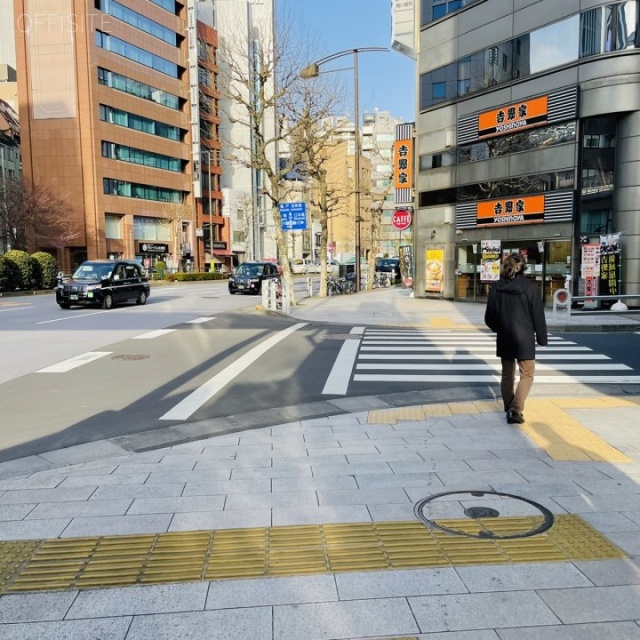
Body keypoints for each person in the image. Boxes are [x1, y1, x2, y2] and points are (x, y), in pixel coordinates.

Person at [484, 253, 548, 424]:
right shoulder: (530, 288)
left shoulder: (496, 287)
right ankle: (516, 408)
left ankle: (509, 407)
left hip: (505, 336)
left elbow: (489, 317)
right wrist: (542, 338)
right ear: (523, 268)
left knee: (507, 375)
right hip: (524, 337)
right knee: (527, 373)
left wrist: (501, 328)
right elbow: (538, 316)